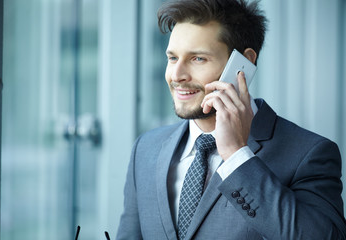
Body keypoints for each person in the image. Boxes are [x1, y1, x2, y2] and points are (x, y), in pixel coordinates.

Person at [116, 0, 346, 239]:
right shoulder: (146, 149)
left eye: (198, 59)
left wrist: (238, 156)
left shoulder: (309, 153)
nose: (177, 75)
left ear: (243, 64)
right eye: (173, 58)